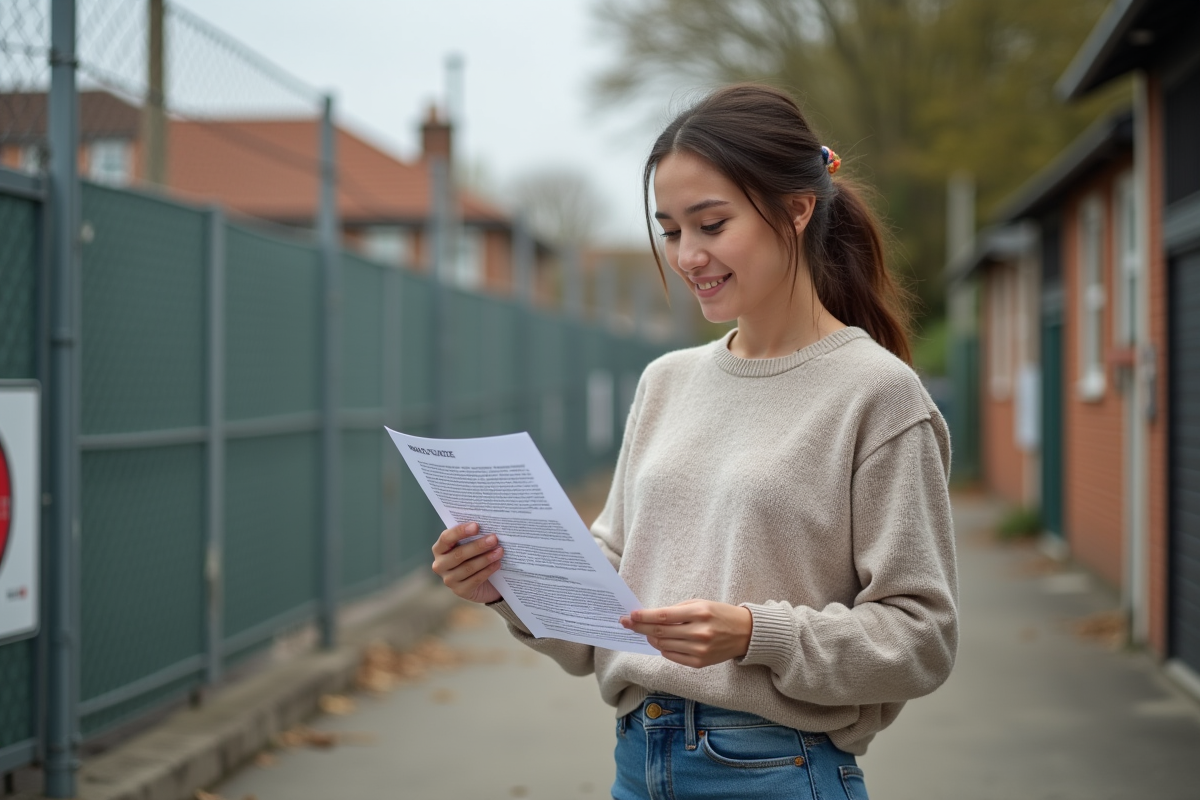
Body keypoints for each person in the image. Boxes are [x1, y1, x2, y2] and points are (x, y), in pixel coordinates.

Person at [431, 83, 957, 800]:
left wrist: (754, 634)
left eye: (711, 224)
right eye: (672, 231)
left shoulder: (879, 393)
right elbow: (609, 606)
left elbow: (921, 638)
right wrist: (508, 585)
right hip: (637, 762)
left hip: (778, 772)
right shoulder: (665, 381)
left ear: (797, 209)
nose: (687, 255)